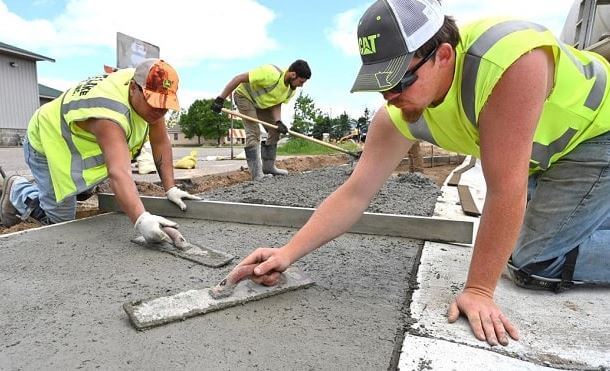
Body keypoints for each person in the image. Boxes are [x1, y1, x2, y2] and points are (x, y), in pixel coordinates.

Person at [232, 0, 610, 347]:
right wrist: (287, 253)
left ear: (442, 55)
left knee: (535, 263)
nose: (389, 96)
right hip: (545, 151)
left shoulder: (509, 62)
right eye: (379, 84)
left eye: (398, 81)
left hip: (595, 136)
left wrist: (478, 289)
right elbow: (355, 192)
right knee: (519, 235)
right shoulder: (397, 113)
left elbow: (503, 188)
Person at [0, 59, 200, 243]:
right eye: (154, 103)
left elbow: (160, 140)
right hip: (47, 143)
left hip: (78, 145)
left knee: (84, 185)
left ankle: (63, 189)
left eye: (165, 106)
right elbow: (118, 173)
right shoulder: (109, 114)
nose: (160, 112)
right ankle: (19, 191)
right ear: (133, 89)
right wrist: (141, 219)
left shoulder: (146, 86)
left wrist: (170, 188)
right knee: (61, 222)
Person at [211, 60, 311, 180]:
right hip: (245, 97)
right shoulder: (270, 73)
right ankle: (257, 174)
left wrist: (278, 121)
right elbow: (238, 78)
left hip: (261, 105)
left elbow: (276, 103)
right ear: (293, 74)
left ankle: (268, 167)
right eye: (301, 81)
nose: (301, 85)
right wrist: (220, 99)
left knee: (275, 130)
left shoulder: (290, 89)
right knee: (254, 132)